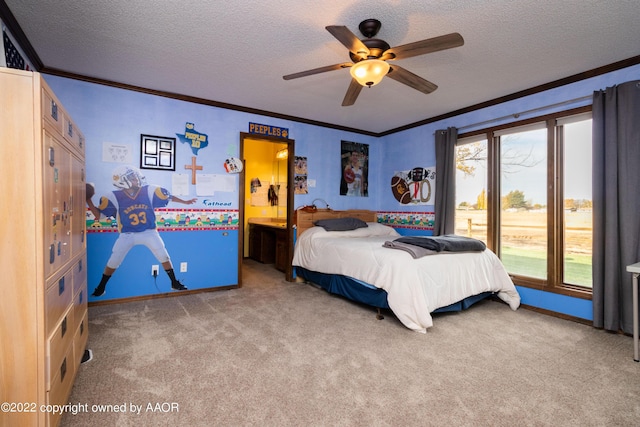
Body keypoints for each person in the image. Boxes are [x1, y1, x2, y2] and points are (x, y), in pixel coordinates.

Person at [87, 166, 197, 297]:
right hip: (127, 234)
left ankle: (174, 282)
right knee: (114, 259)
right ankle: (101, 287)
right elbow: (100, 216)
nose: (136, 178)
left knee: (163, 255)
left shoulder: (148, 190)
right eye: (132, 177)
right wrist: (88, 200)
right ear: (123, 180)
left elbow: (167, 196)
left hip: (149, 231)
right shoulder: (113, 196)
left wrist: (185, 202)